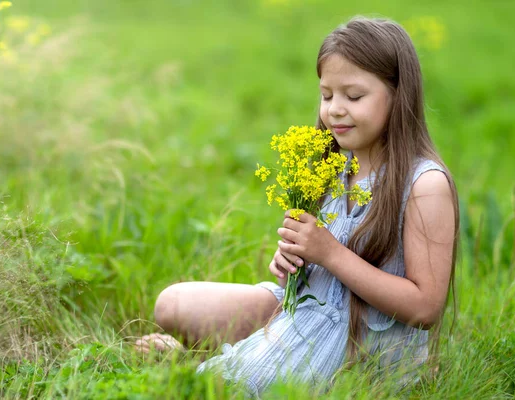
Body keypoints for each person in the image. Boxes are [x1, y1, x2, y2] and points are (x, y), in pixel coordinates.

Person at [135, 16, 459, 397]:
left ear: (398, 94)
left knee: (224, 388)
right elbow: (316, 269)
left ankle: (197, 365)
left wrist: (330, 253)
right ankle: (248, 353)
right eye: (326, 95)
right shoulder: (331, 165)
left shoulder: (424, 185)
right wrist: (293, 267)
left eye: (353, 97)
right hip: (307, 311)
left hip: (363, 342)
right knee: (171, 304)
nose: (335, 109)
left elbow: (424, 308)